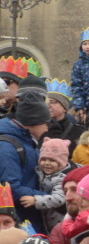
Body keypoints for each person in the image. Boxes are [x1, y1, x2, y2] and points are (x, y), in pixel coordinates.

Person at [0, 88, 52, 231]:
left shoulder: (27, 141)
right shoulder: (7, 147)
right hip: (18, 223)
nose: (47, 128)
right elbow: (11, 188)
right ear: (34, 122)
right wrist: (47, 197)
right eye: (46, 123)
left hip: (31, 218)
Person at [27, 137, 73, 233]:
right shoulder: (40, 172)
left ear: (61, 162)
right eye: (43, 159)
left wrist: (35, 200)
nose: (47, 163)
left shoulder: (62, 178)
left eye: (52, 160)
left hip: (59, 222)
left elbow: (59, 198)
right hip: (47, 220)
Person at [42, 79, 85, 154]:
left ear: (64, 108)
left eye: (52, 102)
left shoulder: (78, 132)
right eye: (47, 102)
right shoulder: (42, 129)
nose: (48, 105)